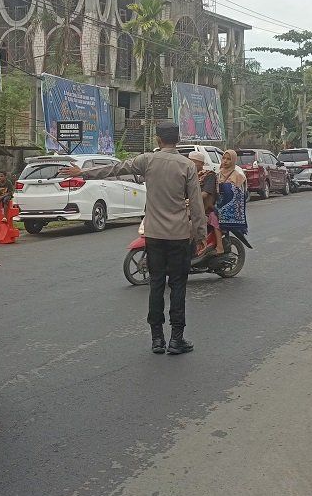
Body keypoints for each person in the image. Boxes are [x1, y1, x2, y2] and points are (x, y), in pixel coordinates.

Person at [59, 122, 205, 356]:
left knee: (156, 284)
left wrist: (83, 173)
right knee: (178, 286)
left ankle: (157, 339)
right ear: (177, 140)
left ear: (158, 140)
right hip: (178, 235)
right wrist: (199, 235)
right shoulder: (187, 165)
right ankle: (176, 339)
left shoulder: (147, 160)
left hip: (154, 234)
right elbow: (197, 206)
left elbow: (115, 169)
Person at [188, 152, 223, 258]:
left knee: (189, 226)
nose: (190, 164)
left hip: (205, 210)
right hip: (190, 209)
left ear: (201, 163)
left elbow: (205, 194)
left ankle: (194, 250)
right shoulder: (189, 175)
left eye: (193, 162)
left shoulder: (209, 175)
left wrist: (189, 200)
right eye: (189, 161)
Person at [216, 148, 249, 242]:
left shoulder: (238, 175)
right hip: (218, 206)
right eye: (224, 158)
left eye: (228, 159)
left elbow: (241, 195)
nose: (225, 161)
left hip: (231, 213)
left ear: (233, 160)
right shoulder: (218, 174)